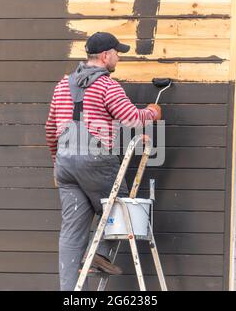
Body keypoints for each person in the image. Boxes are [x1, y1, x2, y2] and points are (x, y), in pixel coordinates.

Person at [45, 32, 162, 291]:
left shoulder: (63, 85)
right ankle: (100, 255)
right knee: (121, 209)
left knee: (72, 231)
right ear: (105, 55)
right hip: (95, 160)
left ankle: (71, 294)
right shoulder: (108, 86)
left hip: (66, 165)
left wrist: (57, 164)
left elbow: (51, 129)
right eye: (117, 53)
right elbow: (131, 118)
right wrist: (152, 113)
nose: (118, 57)